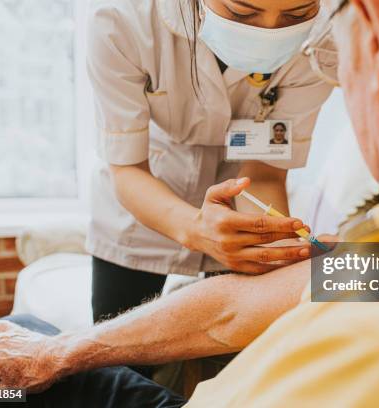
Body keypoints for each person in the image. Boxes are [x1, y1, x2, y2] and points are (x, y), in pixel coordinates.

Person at [0, 0, 379, 406]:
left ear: (375, 44)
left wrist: (51, 356)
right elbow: (231, 308)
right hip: (144, 218)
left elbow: (261, 180)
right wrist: (57, 351)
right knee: (21, 341)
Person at [86, 0, 334, 323]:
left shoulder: (323, 42)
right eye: (242, 12)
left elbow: (264, 172)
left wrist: (276, 252)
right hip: (145, 204)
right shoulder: (120, 19)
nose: (270, 30)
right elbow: (127, 168)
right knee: (114, 364)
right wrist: (196, 228)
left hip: (240, 211)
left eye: (297, 14)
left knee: (228, 360)